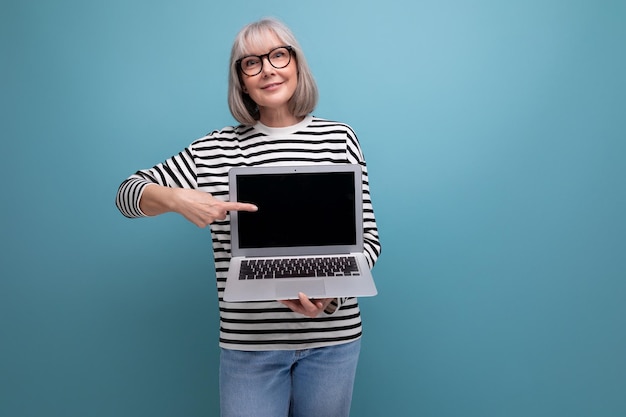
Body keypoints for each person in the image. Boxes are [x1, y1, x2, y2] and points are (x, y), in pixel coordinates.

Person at [115, 17, 381, 417]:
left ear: (295, 64)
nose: (268, 69)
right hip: (250, 347)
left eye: (278, 55)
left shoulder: (338, 137)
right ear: (241, 80)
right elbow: (127, 194)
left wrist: (330, 297)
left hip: (333, 341)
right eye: (251, 63)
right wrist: (176, 199)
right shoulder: (214, 149)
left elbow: (368, 242)